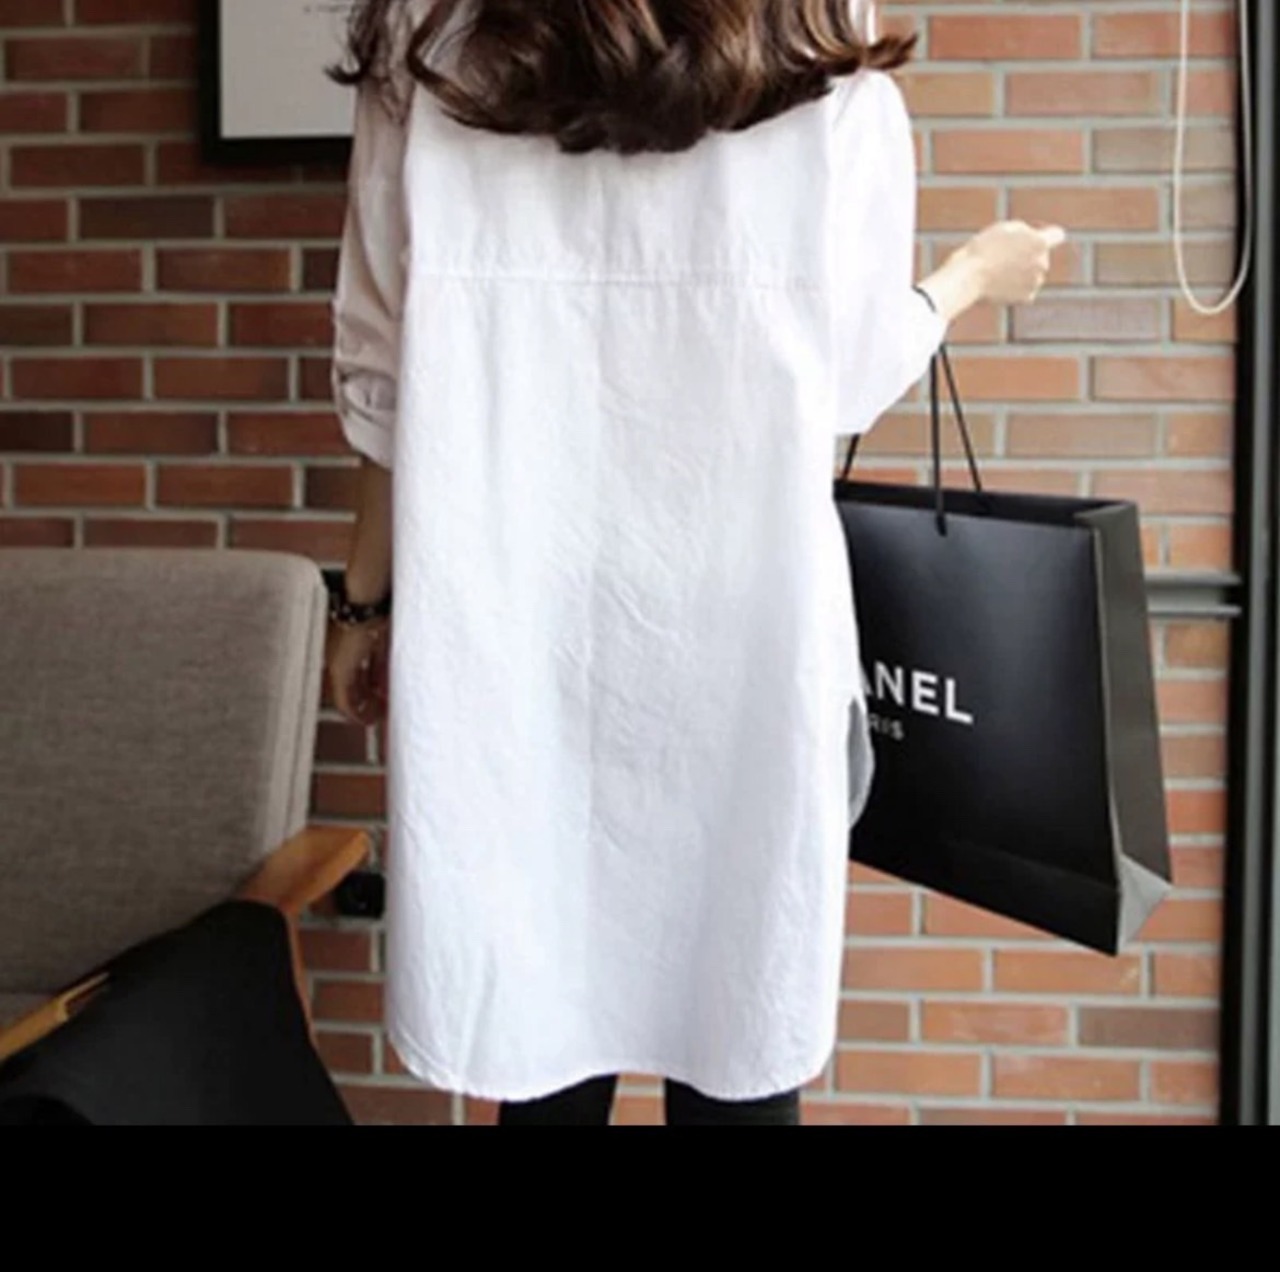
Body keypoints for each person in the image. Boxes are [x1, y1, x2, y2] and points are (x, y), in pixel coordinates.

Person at [325, 0, 1065, 1127]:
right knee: (736, 1012)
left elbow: (383, 378)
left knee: (532, 1021)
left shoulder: (430, 48)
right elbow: (852, 372)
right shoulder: (817, 44)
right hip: (738, 625)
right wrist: (972, 272)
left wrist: (363, 606)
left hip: (505, 618)